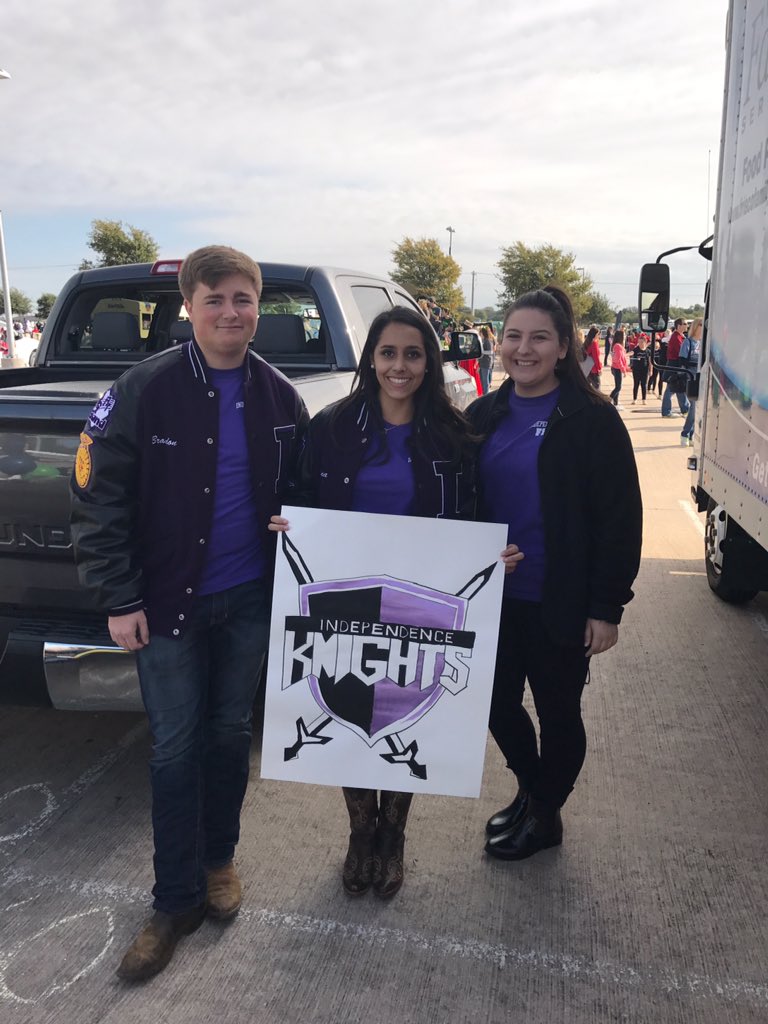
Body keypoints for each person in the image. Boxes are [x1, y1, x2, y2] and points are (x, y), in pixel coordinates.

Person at [70, 245, 309, 982]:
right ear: (189, 308)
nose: (230, 313)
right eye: (215, 300)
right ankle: (172, 902)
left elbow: (313, 491)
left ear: (258, 306)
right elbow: (96, 496)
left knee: (230, 736)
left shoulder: (281, 398)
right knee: (174, 751)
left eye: (242, 299)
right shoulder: (144, 388)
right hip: (167, 603)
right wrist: (119, 597)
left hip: (249, 601)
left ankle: (218, 863)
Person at [270, 306, 477, 899]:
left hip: (420, 598)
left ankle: (395, 833)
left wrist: (490, 556)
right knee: (350, 703)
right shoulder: (332, 427)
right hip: (346, 595)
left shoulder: (453, 434)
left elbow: (473, 512)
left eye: (413, 354)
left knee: (409, 705)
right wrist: (292, 524)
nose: (399, 366)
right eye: (388, 353)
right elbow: (301, 492)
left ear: (429, 363)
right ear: (371, 360)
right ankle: (361, 831)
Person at [466, 286, 642, 861]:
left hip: (557, 599)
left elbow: (620, 520)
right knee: (494, 704)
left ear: (564, 346)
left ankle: (546, 815)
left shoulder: (594, 420)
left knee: (559, 714)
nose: (524, 349)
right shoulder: (482, 414)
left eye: (539, 337)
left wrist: (606, 608)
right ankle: (532, 790)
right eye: (513, 336)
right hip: (490, 598)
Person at [661, 318, 691, 418]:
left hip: (675, 365)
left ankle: (685, 409)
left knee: (679, 387)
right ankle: (666, 411)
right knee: (671, 388)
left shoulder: (679, 336)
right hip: (674, 365)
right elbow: (681, 352)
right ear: (679, 326)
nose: (687, 326)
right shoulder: (676, 337)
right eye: (685, 324)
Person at [679, 317, 702, 445]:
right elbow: (682, 361)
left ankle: (692, 434)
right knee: (693, 407)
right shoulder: (687, 342)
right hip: (690, 377)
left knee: (698, 408)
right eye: (700, 325)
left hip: (700, 377)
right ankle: (685, 433)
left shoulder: (702, 343)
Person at [608, 329, 629, 407]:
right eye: (624, 335)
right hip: (617, 368)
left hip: (616, 368)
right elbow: (618, 359)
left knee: (618, 387)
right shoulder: (618, 346)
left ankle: (615, 403)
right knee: (618, 387)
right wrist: (623, 369)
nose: (625, 337)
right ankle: (608, 400)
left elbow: (621, 357)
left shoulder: (618, 345)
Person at [629, 334, 652, 404]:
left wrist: (650, 370)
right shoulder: (636, 349)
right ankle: (634, 399)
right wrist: (625, 354)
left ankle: (644, 399)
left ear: (645, 342)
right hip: (636, 370)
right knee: (636, 384)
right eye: (639, 342)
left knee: (644, 384)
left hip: (645, 370)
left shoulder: (648, 351)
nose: (640, 344)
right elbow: (632, 352)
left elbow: (650, 362)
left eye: (641, 342)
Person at [582, 325, 603, 390]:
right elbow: (596, 358)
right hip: (594, 369)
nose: (599, 336)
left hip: (588, 369)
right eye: (598, 334)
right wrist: (599, 368)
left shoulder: (587, 343)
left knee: (588, 389)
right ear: (595, 335)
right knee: (597, 389)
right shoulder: (594, 344)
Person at [478, 325, 495, 395]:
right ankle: (484, 393)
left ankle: (486, 394)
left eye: (480, 332)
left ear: (483, 333)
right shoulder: (484, 340)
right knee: (483, 380)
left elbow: (490, 352)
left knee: (485, 381)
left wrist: (481, 352)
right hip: (483, 363)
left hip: (486, 363)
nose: (480, 333)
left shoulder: (487, 340)